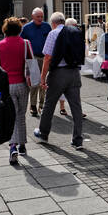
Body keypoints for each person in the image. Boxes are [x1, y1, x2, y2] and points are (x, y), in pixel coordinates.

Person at [33, 11, 86, 150]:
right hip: (74, 72)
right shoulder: (76, 32)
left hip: (58, 74)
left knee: (49, 104)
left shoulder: (53, 33)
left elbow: (48, 57)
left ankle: (43, 133)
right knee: (76, 107)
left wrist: (43, 77)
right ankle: (78, 140)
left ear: (53, 23)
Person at [0, 16, 33, 166]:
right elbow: (30, 64)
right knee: (21, 115)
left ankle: (12, 146)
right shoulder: (25, 43)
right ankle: (22, 144)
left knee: (10, 116)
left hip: (7, 86)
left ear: (5, 29)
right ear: (19, 29)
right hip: (22, 84)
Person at [20, 7, 52, 119]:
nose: (40, 18)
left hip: (45, 57)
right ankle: (33, 105)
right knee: (34, 82)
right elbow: (21, 42)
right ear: (32, 17)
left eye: (41, 16)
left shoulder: (47, 26)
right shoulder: (26, 28)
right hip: (32, 58)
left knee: (44, 81)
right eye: (38, 16)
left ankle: (42, 104)